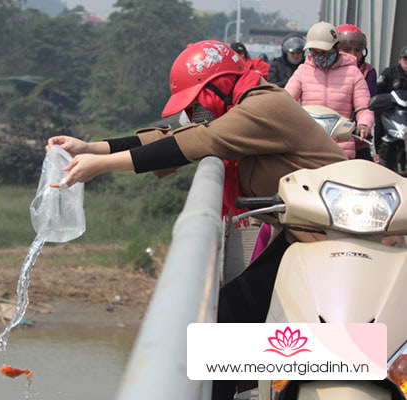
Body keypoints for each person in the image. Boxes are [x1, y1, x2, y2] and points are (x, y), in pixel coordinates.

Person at [45, 40, 346, 398]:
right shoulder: (242, 104)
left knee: (226, 323)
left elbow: (197, 142)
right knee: (232, 320)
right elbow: (175, 136)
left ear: (220, 84)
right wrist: (92, 148)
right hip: (308, 236)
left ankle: (339, 362)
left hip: (336, 237)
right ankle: (299, 370)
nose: (193, 110)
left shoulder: (264, 106)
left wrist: (102, 166)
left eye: (196, 100)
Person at [284, 21, 374, 160]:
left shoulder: (352, 72)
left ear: (336, 47)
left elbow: (364, 107)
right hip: (308, 144)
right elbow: (286, 100)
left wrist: (364, 125)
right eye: (314, 51)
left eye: (324, 51)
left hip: (341, 147)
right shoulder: (303, 71)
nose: (319, 55)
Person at [337, 24, 377, 161]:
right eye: (346, 50)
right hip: (327, 138)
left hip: (356, 138)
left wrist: (363, 124)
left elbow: (367, 104)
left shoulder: (368, 72)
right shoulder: (318, 70)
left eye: (357, 50)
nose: (352, 55)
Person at [375, 45, 407, 148]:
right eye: (405, 59)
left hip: (405, 113)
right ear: (399, 60)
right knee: (378, 124)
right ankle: (377, 152)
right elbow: (378, 91)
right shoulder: (389, 73)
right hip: (389, 111)